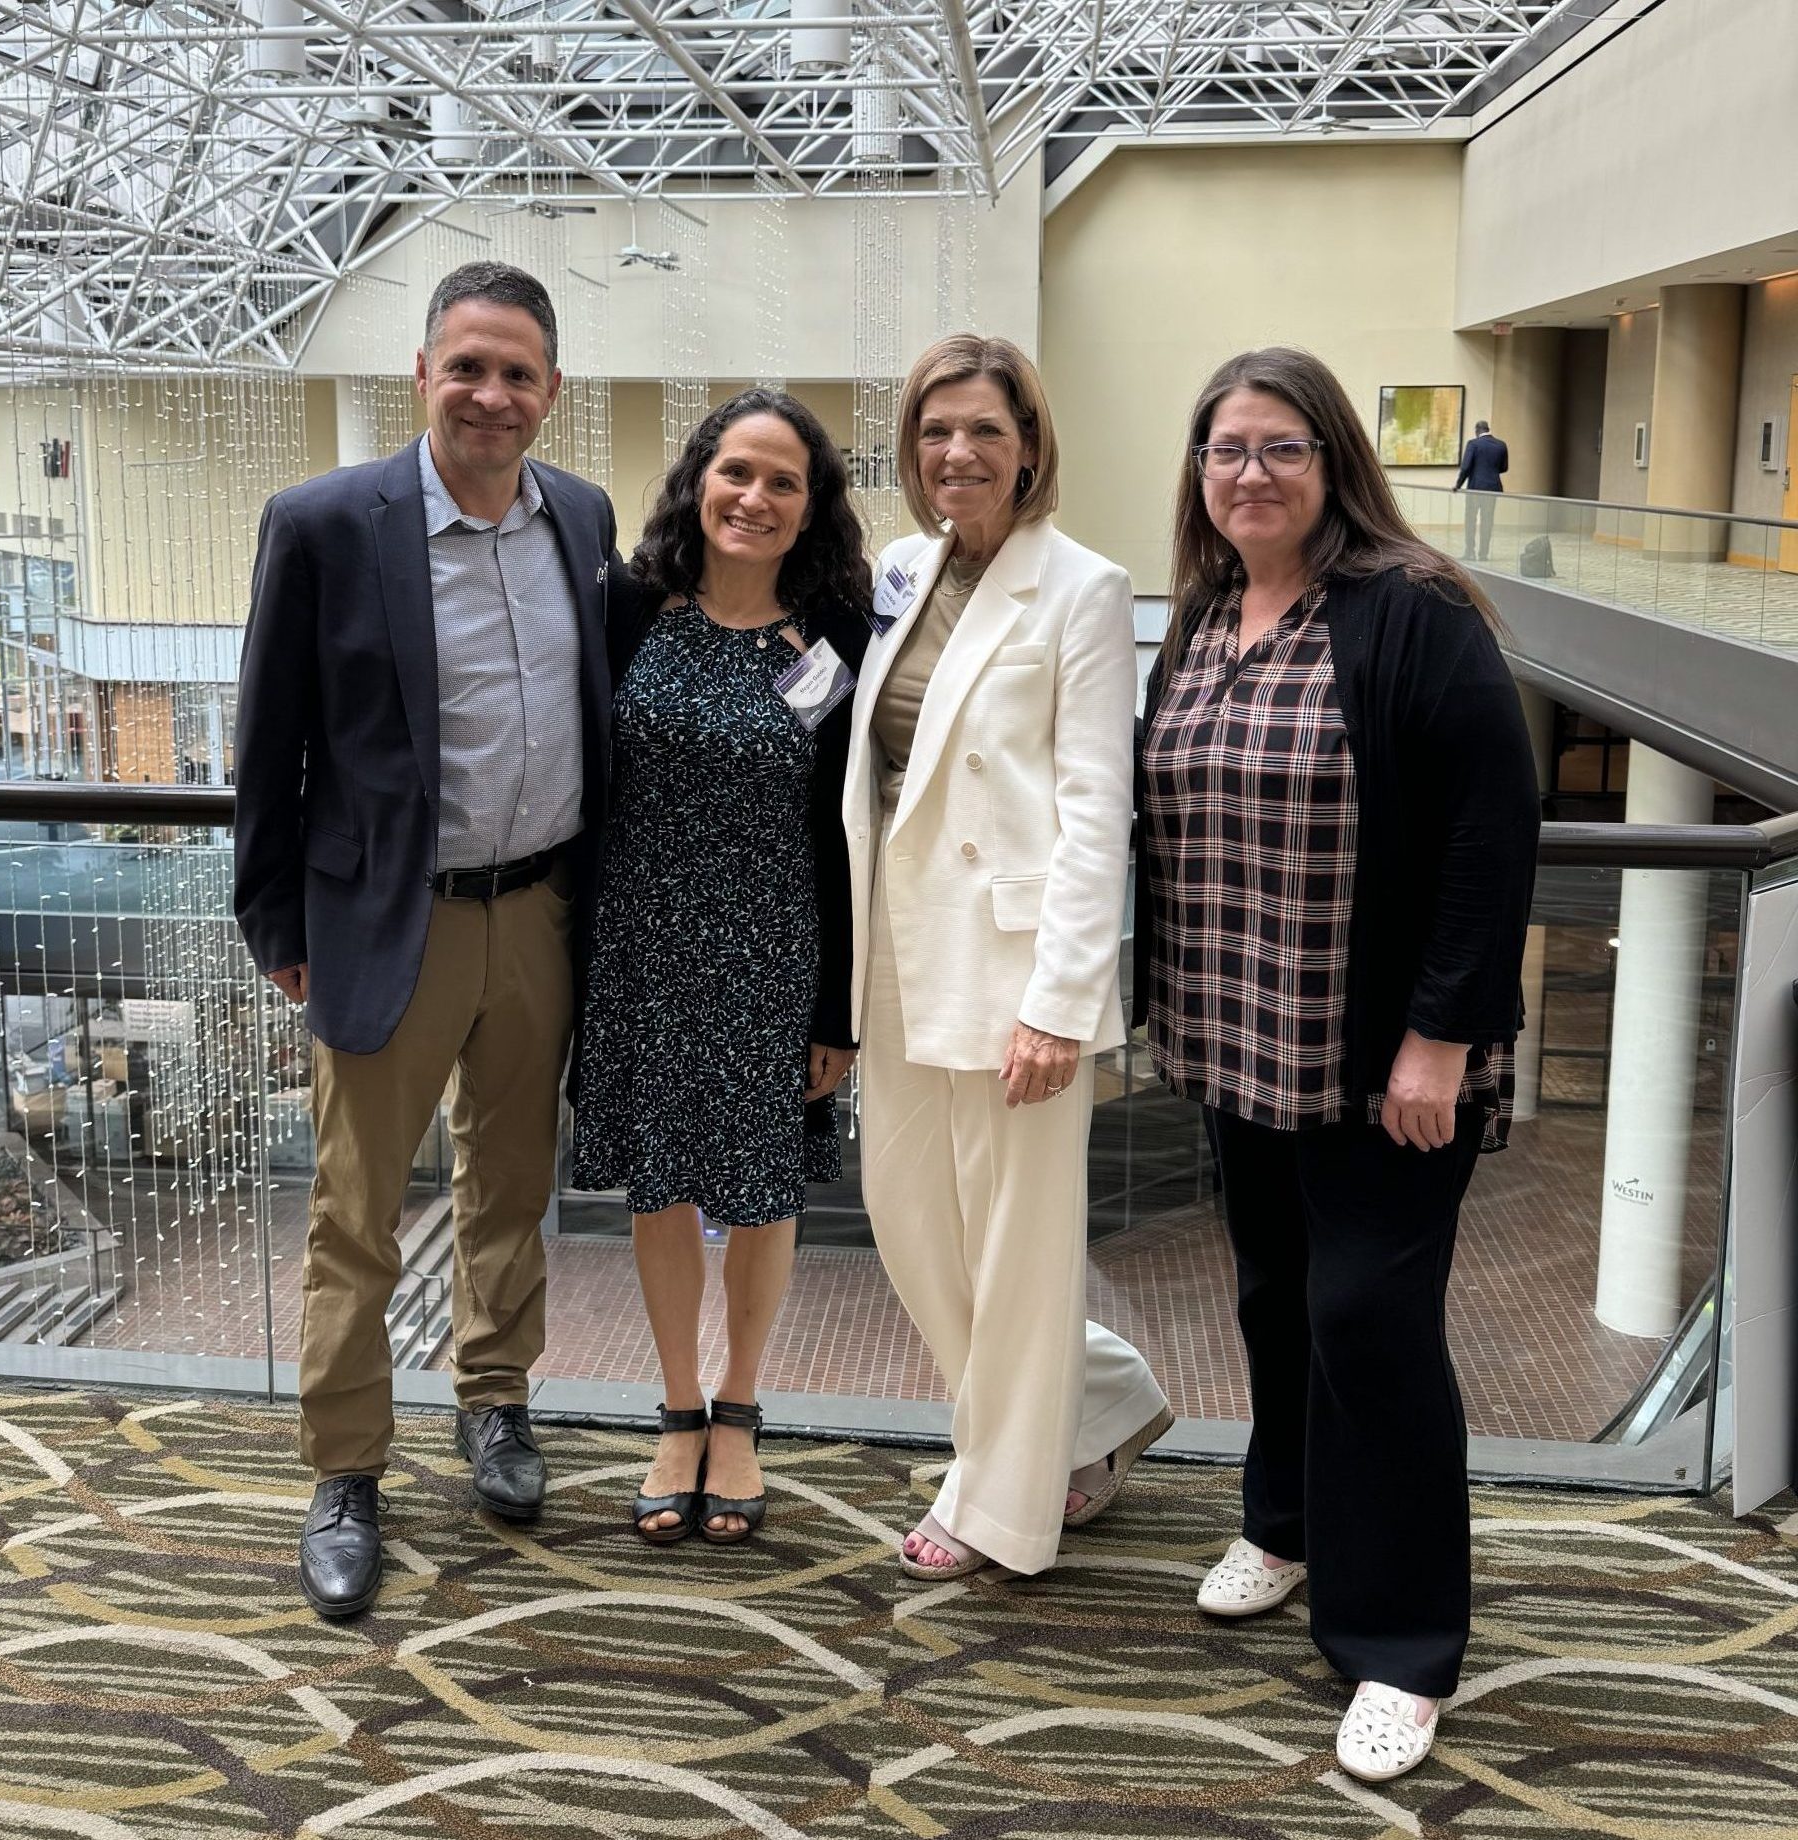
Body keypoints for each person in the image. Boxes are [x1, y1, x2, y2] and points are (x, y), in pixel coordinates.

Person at [1135, 347, 1538, 1781]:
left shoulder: (1410, 613)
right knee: (1274, 1293)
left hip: (1384, 1064)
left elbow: (1493, 831)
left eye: (1282, 448)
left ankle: (1405, 1646)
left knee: (1371, 1322)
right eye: (1226, 448)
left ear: (1335, 465)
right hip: (1242, 1037)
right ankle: (1288, 1523)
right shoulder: (1202, 616)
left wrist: (1441, 1037)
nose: (1250, 472)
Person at [233, 261, 626, 1618]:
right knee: (356, 1217)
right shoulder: (327, 522)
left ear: (553, 392)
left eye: (519, 372)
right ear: (421, 372)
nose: (492, 394)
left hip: (540, 917)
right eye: (468, 366)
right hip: (386, 922)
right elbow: (267, 744)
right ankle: (346, 1469)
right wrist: (277, 920)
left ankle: (496, 1403)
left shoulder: (583, 516)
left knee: (512, 1188)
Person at [845, 334, 1174, 1583]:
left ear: (1029, 443)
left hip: (1013, 960)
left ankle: (999, 1503)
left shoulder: (1083, 586)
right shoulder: (899, 568)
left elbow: (1100, 809)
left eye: (985, 429)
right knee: (912, 1228)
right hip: (896, 944)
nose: (958, 453)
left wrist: (1061, 1002)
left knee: (1018, 1250)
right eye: (936, 430)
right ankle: (1104, 1396)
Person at [572, 390, 870, 1546]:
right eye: (736, 471)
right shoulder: (627, 606)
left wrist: (836, 1002)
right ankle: (678, 1409)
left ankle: (740, 1409)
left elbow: (848, 833)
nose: (754, 497)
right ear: (701, 479)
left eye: (782, 482)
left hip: (774, 949)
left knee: (759, 1189)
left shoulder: (840, 632)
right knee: (662, 1183)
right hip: (640, 947)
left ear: (810, 510)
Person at [1453, 418, 1508, 561]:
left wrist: (1458, 485)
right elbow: (1504, 468)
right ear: (1488, 429)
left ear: (1477, 430)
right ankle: (1483, 554)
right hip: (1492, 488)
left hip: (1475, 489)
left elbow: (1465, 467)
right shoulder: (1501, 445)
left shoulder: (1473, 444)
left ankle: (1470, 552)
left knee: (1470, 520)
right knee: (1487, 521)